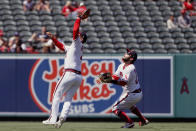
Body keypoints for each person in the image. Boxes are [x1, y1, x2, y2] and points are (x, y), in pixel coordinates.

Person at [42, 9, 89, 128]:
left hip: (69, 74)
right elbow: (62, 46)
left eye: (79, 35)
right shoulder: (74, 47)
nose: (78, 35)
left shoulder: (78, 42)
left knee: (56, 94)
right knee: (68, 97)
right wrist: (53, 38)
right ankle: (63, 116)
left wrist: (79, 19)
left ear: (81, 38)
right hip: (78, 77)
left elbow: (75, 30)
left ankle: (52, 118)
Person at [101, 49, 149, 128]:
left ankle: (129, 123)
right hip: (134, 93)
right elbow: (115, 77)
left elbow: (123, 83)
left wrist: (110, 81)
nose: (125, 53)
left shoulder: (130, 68)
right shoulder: (121, 65)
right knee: (131, 106)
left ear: (131, 58)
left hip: (133, 94)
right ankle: (143, 120)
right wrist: (108, 78)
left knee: (114, 108)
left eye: (128, 53)